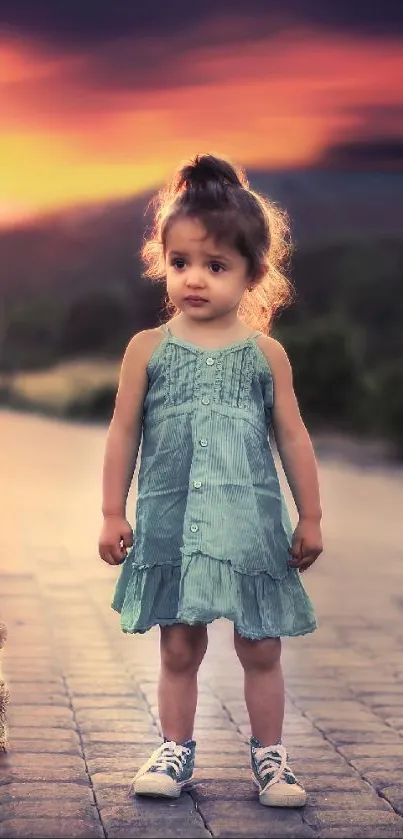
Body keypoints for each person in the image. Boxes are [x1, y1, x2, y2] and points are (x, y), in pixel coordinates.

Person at [98, 153, 323, 808]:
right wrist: (113, 511)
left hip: (249, 523)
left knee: (259, 643)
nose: (193, 279)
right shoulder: (146, 348)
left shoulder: (265, 354)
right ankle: (175, 749)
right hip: (171, 520)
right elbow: (122, 431)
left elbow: (292, 435)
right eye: (180, 263)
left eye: (215, 265)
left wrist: (309, 515)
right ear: (163, 261)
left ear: (253, 272)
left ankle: (270, 759)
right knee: (178, 644)